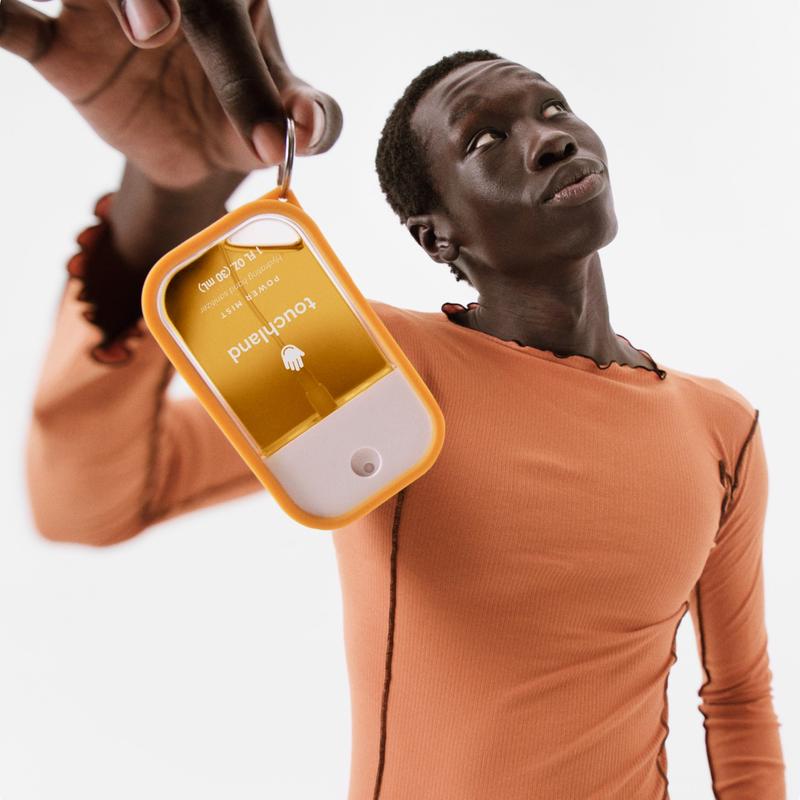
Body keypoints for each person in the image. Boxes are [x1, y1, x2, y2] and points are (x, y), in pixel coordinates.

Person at [3, 0, 785, 794]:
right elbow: (87, 502)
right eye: (486, 139)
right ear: (435, 235)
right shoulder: (374, 362)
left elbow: (738, 698)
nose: (551, 137)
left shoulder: (720, 426)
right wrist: (164, 202)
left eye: (554, 108)